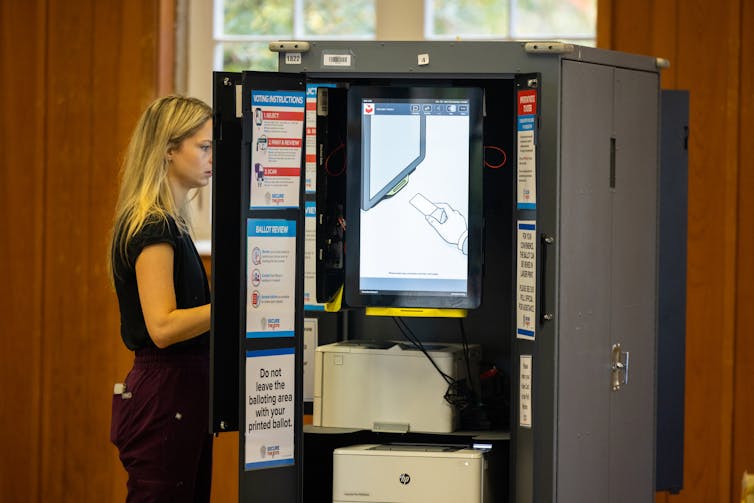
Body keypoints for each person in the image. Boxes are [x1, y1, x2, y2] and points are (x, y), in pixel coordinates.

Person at [107, 95, 214, 501]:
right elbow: (163, 326)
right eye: (203, 147)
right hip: (164, 392)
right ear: (169, 150)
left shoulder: (171, 223)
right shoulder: (152, 225)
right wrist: (240, 308)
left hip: (179, 390)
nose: (211, 158)